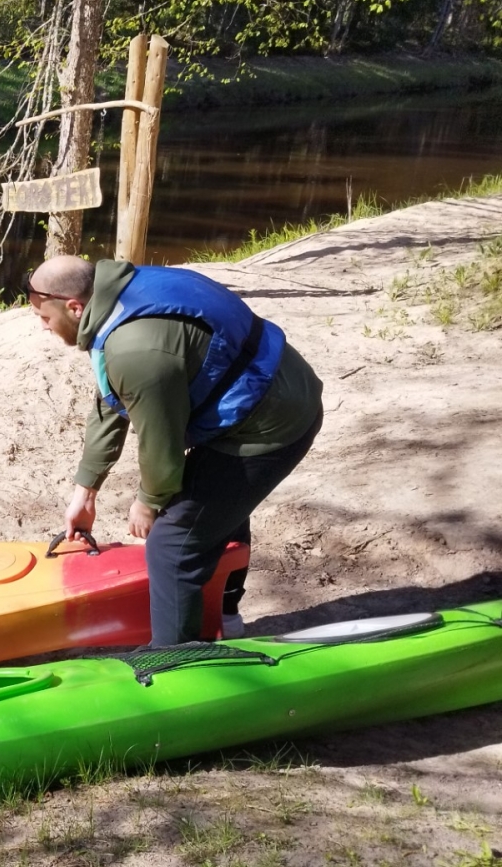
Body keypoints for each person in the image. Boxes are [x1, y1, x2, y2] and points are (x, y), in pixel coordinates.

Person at [26, 255, 324, 647]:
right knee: (217, 507)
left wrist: (148, 502)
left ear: (74, 307)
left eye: (43, 317)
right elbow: (112, 400)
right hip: (273, 391)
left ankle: (174, 659)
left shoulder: (134, 349)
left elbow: (161, 446)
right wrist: (86, 492)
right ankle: (223, 615)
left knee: (171, 546)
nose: (42, 326)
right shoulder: (121, 295)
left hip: (272, 423)